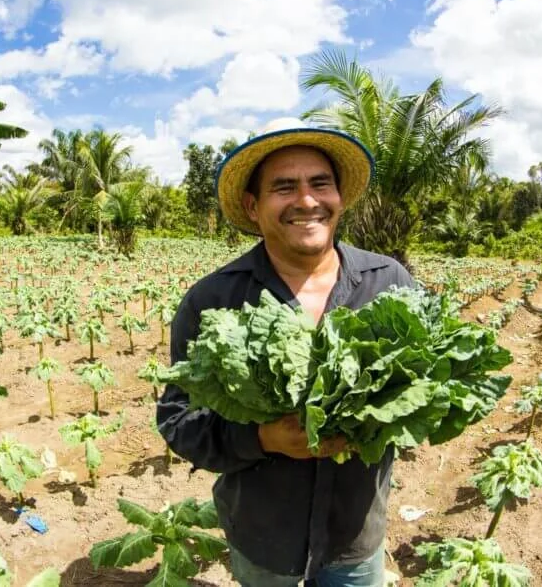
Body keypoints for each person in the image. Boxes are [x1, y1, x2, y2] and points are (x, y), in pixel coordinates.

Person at [157, 118, 414, 587]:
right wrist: (263, 439)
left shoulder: (389, 283)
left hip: (354, 537)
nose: (307, 200)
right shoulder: (212, 300)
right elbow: (177, 421)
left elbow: (427, 387)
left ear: (339, 197)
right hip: (263, 542)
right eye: (284, 187)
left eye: (320, 183)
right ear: (254, 207)